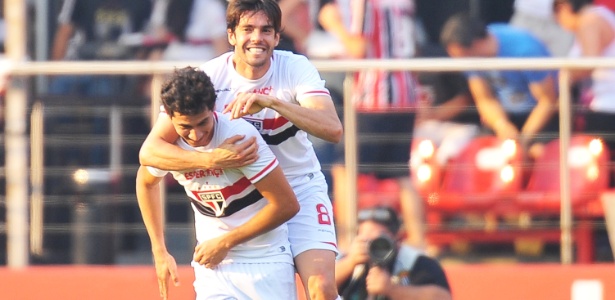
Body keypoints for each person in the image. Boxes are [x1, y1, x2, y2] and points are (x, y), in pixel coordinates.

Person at [139, 1, 344, 299]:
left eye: (266, 30)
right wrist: (210, 160)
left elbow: (333, 128)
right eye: (247, 29)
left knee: (321, 287)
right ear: (232, 35)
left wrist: (274, 103)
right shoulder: (209, 79)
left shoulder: (295, 67)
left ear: (277, 38)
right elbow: (150, 151)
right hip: (245, 197)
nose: (257, 38)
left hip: (299, 185)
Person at [136, 67, 300, 300]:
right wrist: (159, 250)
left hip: (266, 260)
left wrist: (225, 243)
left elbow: (286, 205)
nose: (196, 135)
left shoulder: (240, 139)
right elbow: (145, 183)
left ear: (213, 109)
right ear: (170, 117)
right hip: (213, 267)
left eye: (202, 123)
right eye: (185, 127)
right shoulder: (169, 149)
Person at [318, 0, 427, 251]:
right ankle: (419, 242)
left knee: (345, 169)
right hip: (405, 92)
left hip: (374, 95)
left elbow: (358, 48)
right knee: (401, 174)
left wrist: (333, 23)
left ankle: (347, 242)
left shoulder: (366, 3)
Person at [440, 12, 559, 153]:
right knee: (481, 153)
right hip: (506, 114)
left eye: (461, 57)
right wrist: (501, 125)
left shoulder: (525, 50)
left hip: (540, 116)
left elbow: (547, 100)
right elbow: (484, 98)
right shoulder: (468, 57)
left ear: (476, 45)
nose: (459, 63)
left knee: (539, 154)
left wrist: (524, 138)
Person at [336, 206, 452, 300]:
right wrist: (350, 262)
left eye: (380, 239)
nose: (374, 246)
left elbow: (443, 297)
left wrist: (392, 289)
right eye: (366, 239)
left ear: (396, 238)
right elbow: (321, 283)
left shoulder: (416, 262)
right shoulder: (349, 261)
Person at [553, 0, 615, 174]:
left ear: (563, 7)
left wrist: (564, 76)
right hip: (603, 104)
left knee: (599, 168)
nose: (564, 27)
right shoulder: (600, 15)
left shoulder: (590, 20)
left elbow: (589, 62)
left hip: (607, 107)